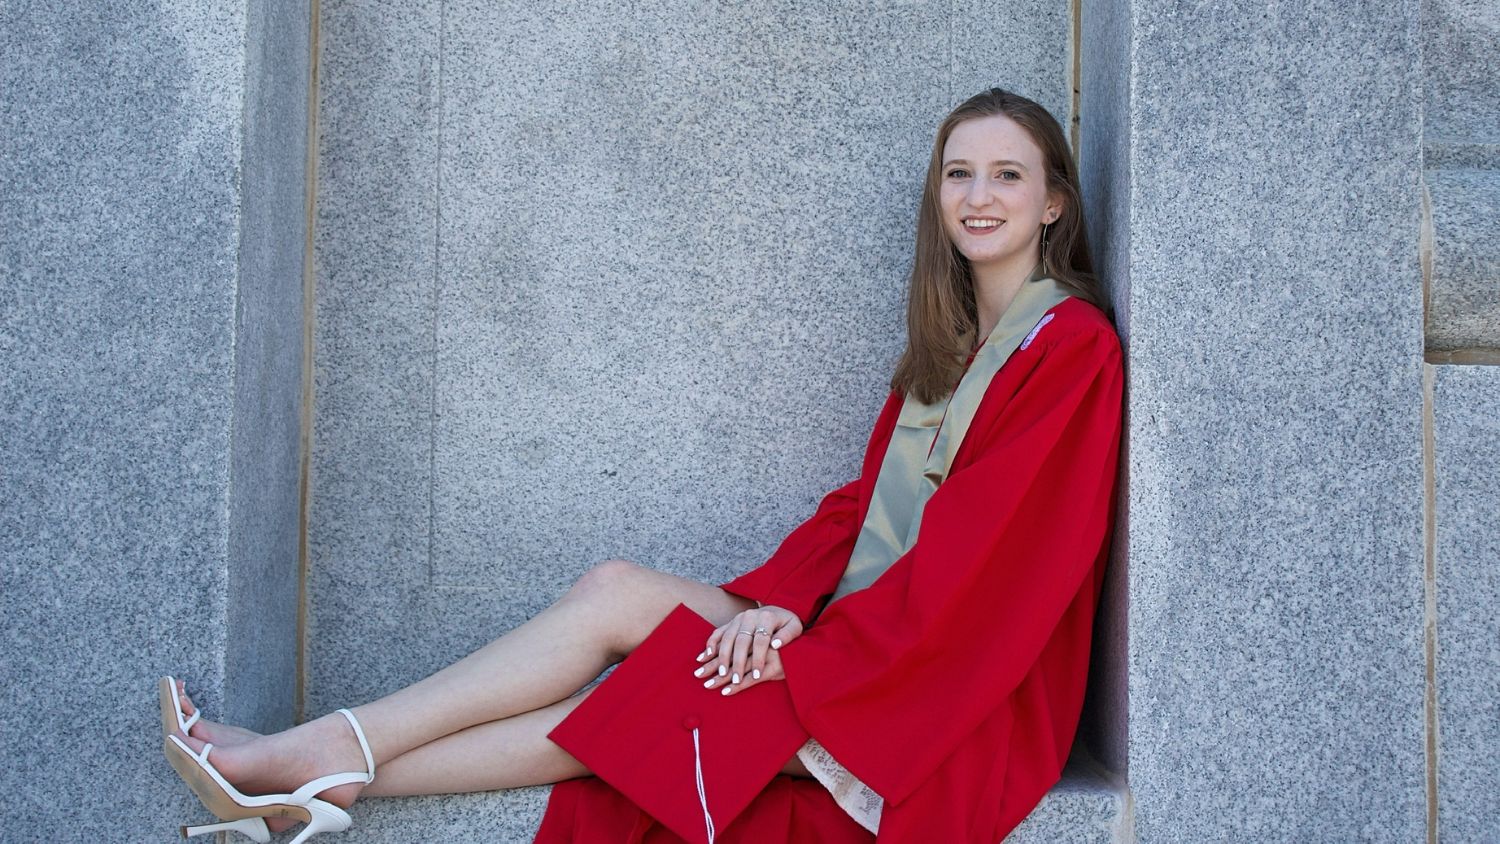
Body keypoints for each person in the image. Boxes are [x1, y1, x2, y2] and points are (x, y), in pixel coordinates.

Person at [160, 86, 1124, 844]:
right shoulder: (950, 350)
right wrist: (784, 603)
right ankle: (327, 758)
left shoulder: (1071, 348)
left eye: (1007, 175)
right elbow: (861, 510)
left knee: (656, 695)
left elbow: (993, 561)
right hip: (860, 629)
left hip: (940, 687)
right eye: (960, 174)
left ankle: (311, 759)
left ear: (1053, 203)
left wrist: (818, 647)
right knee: (618, 590)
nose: (980, 197)